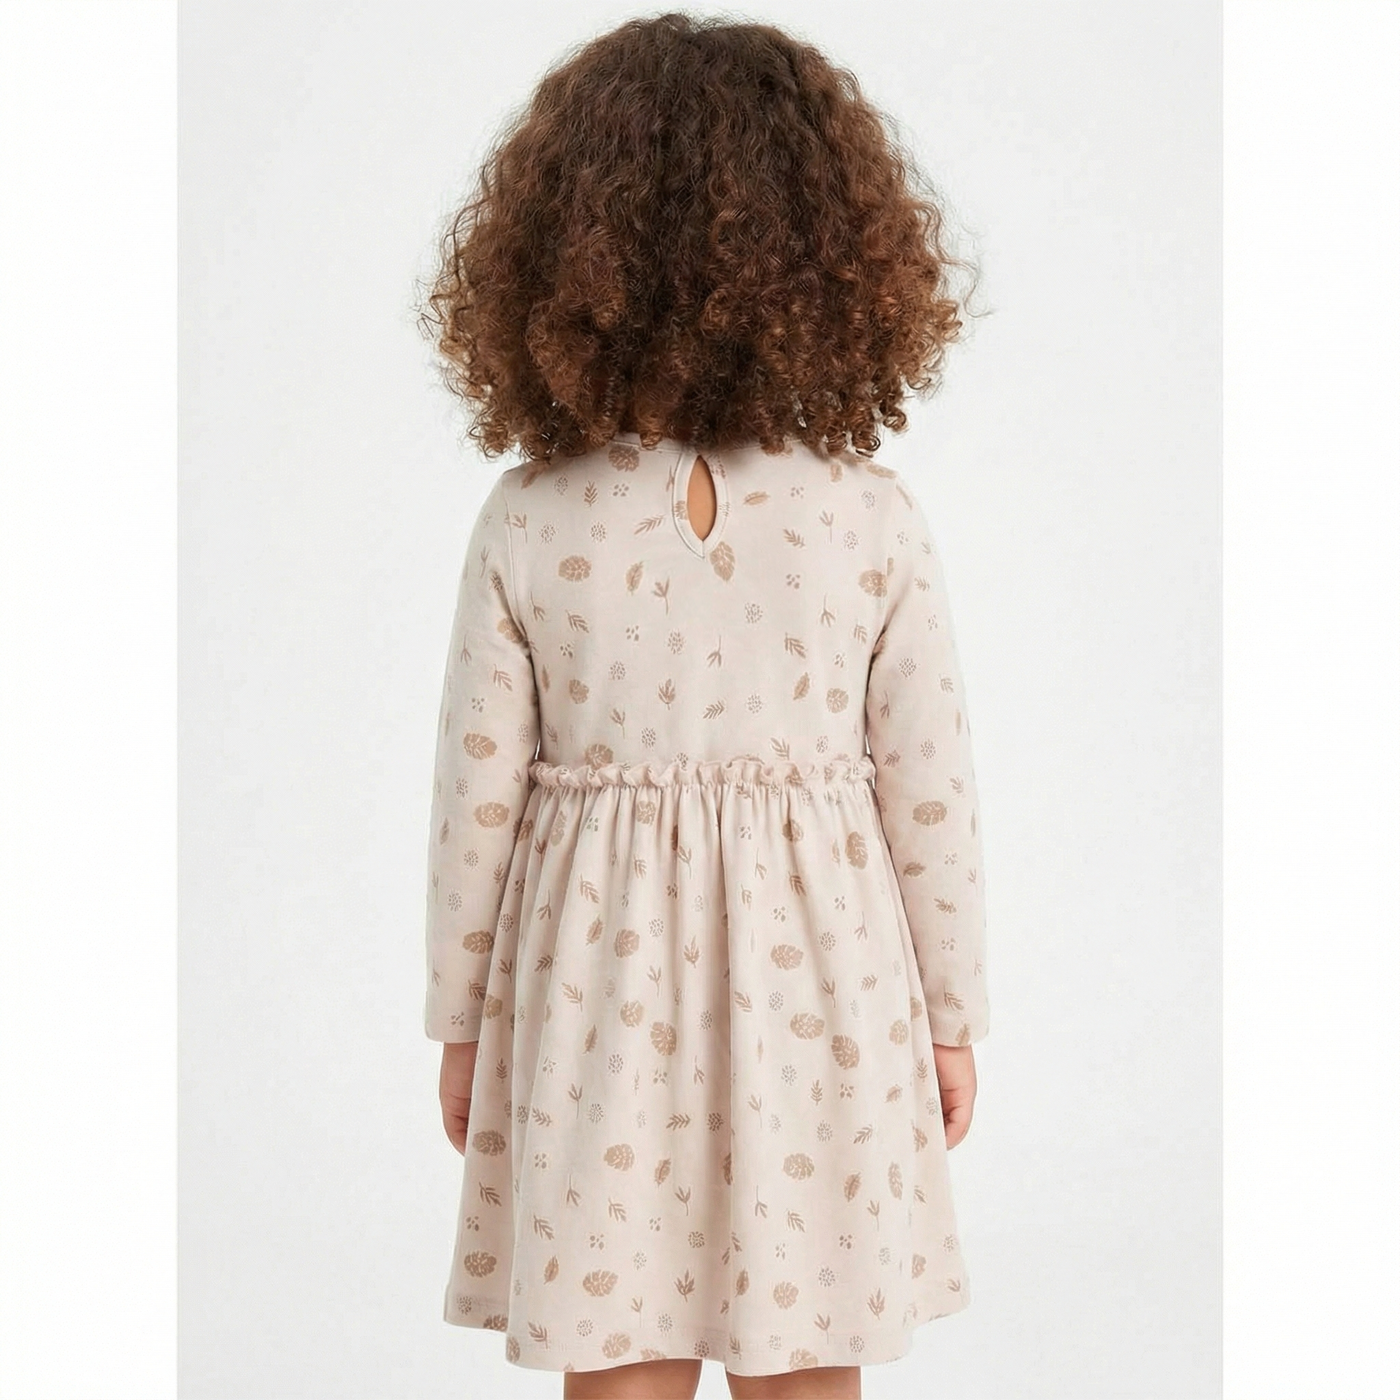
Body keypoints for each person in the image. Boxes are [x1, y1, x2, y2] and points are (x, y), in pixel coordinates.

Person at [416, 13, 990, 1399]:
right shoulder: (869, 518)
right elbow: (932, 794)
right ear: (833, 255)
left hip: (592, 990)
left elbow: (474, 799)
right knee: (809, 1343)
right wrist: (950, 1012)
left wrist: (461, 1020)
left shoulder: (532, 518)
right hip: (826, 982)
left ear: (559, 256)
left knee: (615, 1340)